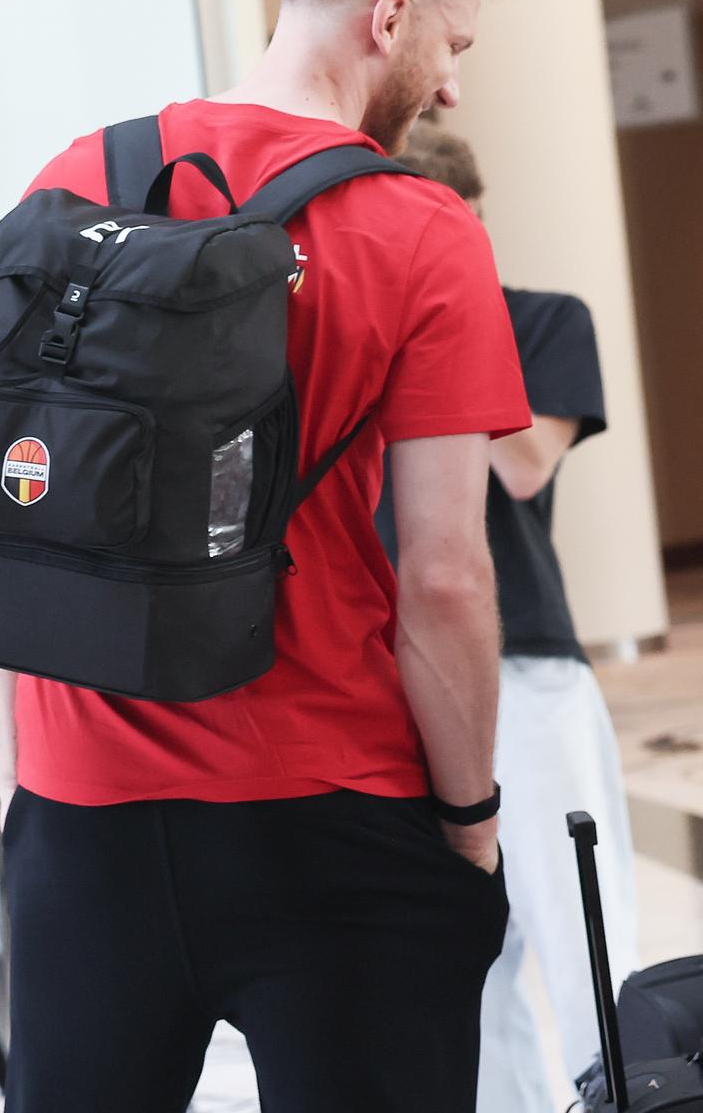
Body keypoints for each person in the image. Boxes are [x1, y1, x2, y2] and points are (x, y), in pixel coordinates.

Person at [0, 0, 530, 1111]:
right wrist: (471, 823)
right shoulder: (422, 226)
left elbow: (20, 502)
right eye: (452, 43)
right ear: (388, 20)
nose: (450, 84)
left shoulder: (78, 171)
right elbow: (446, 575)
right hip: (327, 803)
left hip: (83, 818)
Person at [386, 122, 637, 1111]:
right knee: (458, 962)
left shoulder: (541, 320)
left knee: (586, 943)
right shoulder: (373, 337)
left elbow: (524, 463)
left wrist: (442, 310)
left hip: (525, 665)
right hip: (396, 676)